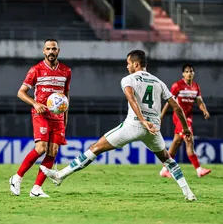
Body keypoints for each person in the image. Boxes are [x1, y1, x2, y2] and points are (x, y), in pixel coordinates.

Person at [41, 50, 197, 201]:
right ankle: (188, 193)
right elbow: (177, 107)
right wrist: (185, 129)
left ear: (136, 64)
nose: (127, 66)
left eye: (128, 63)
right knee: (168, 160)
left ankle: (60, 175)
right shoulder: (158, 82)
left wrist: (142, 120)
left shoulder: (128, 79)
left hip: (134, 125)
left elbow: (131, 98)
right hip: (153, 129)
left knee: (95, 148)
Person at [9, 39, 72, 197]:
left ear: (58, 51)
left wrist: (65, 118)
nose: (51, 52)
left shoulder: (66, 71)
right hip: (41, 114)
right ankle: (17, 177)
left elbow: (66, 96)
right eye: (48, 49)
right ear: (44, 51)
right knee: (41, 148)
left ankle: (36, 189)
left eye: (54, 49)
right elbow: (21, 92)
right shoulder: (35, 70)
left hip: (58, 116)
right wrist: (35, 103)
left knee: (52, 151)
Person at [159, 64, 211, 178]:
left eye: (191, 71)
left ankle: (164, 169)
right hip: (179, 117)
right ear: (183, 73)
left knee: (177, 142)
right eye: (187, 71)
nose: (189, 73)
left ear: (194, 73)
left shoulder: (196, 87)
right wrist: (161, 117)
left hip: (188, 117)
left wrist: (204, 110)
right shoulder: (177, 86)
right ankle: (199, 169)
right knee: (189, 140)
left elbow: (199, 102)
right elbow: (169, 102)